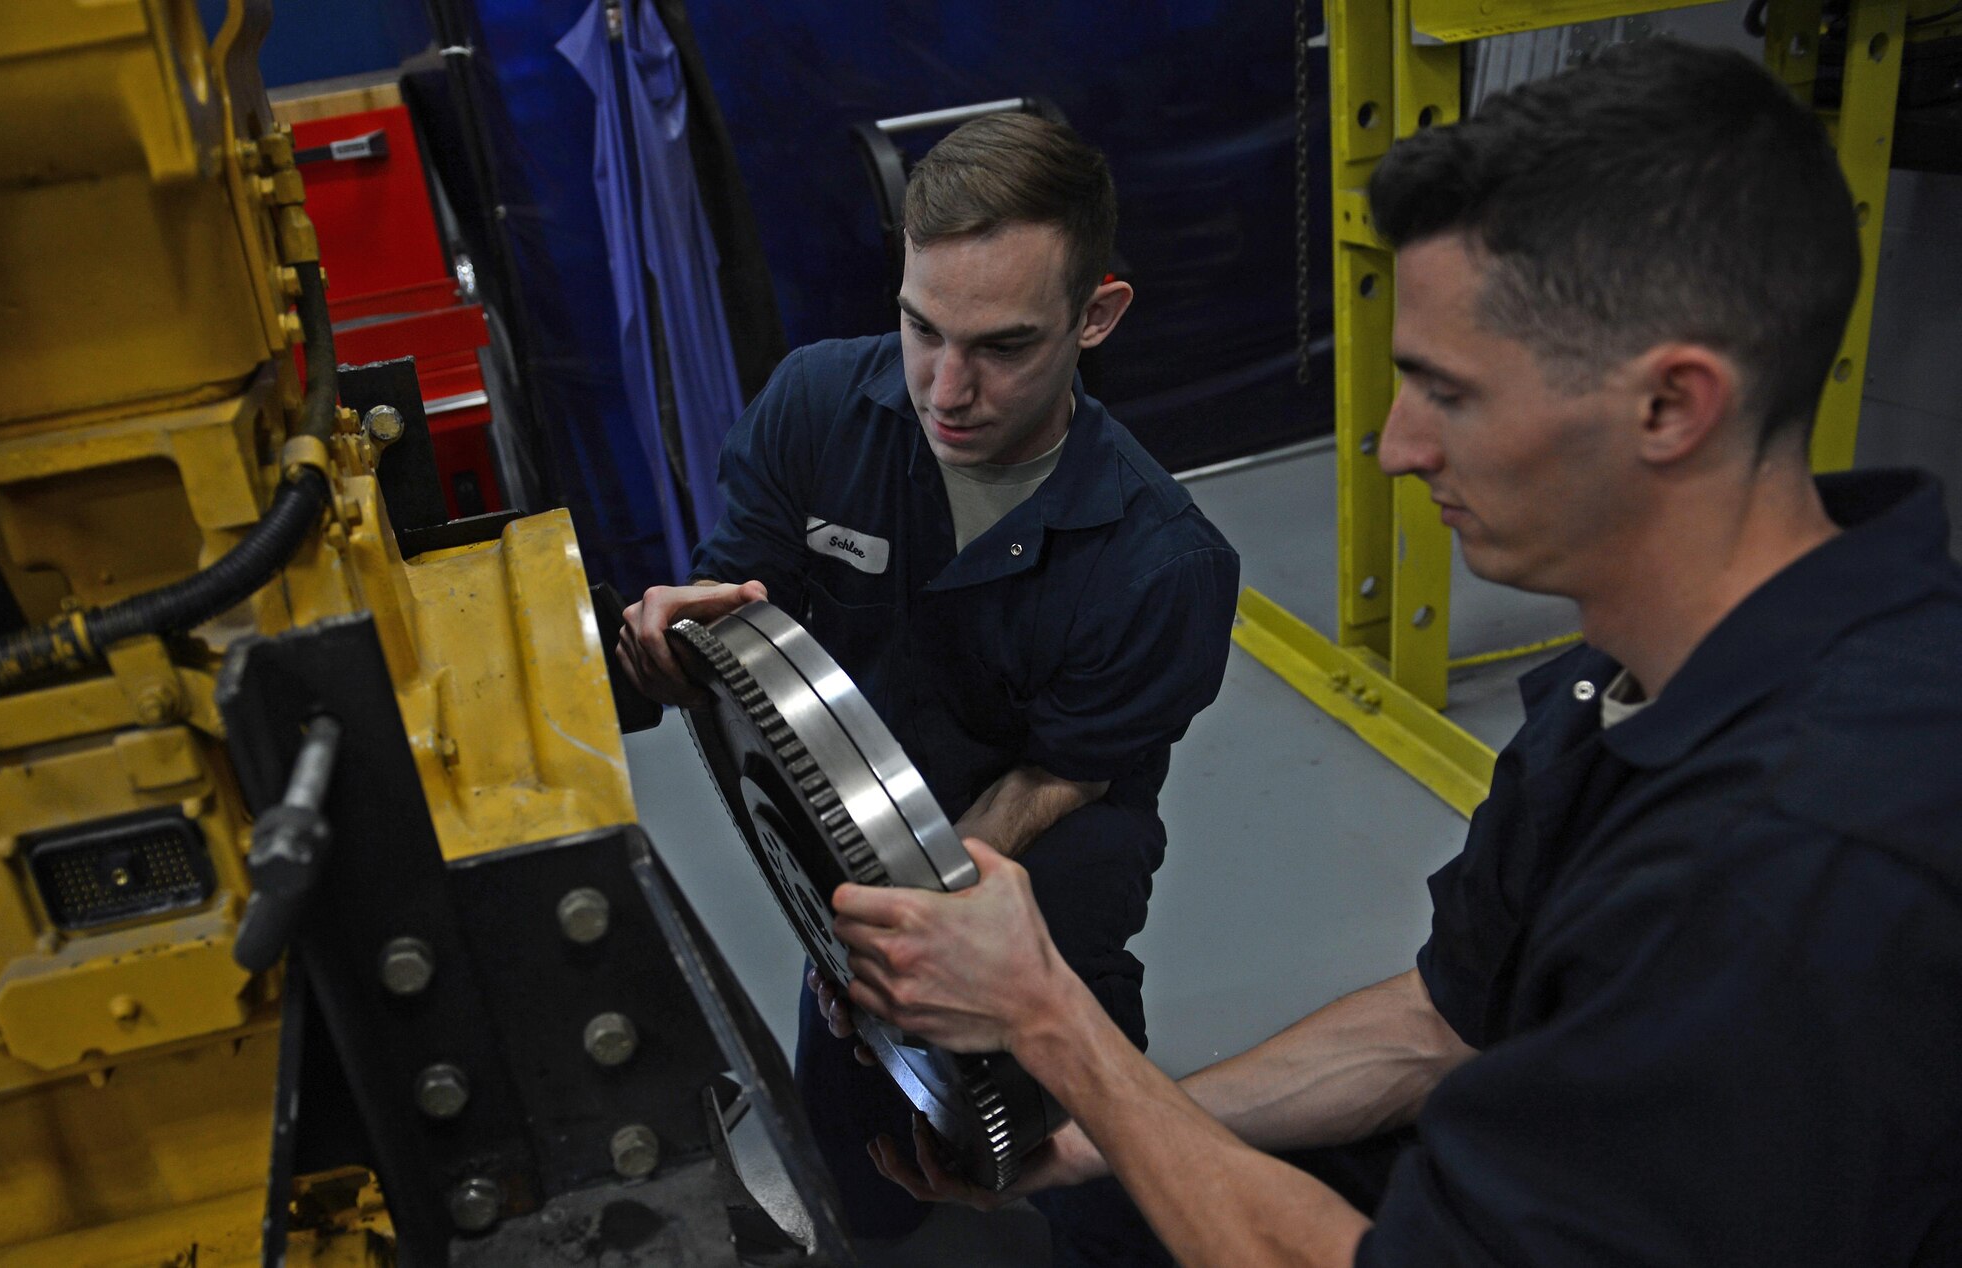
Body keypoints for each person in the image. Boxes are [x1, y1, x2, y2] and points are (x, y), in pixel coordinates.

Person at [829, 39, 1962, 1267]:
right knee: (1113, 1196)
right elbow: (1439, 1026)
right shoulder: (1630, 689)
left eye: (1447, 391)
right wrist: (1090, 1137)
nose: (1393, 447)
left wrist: (1052, 1021)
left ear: (1667, 406)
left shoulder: (1798, 864)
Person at [614, 112, 1241, 1260]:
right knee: (857, 1200)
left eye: (1001, 345)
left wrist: (906, 910)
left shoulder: (1165, 564)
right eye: (919, 327)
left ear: (1095, 315)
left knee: (1086, 1202)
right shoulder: (813, 407)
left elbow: (1068, 769)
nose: (945, 387)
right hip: (849, 912)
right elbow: (730, 613)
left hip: (1041, 915)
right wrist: (667, 642)